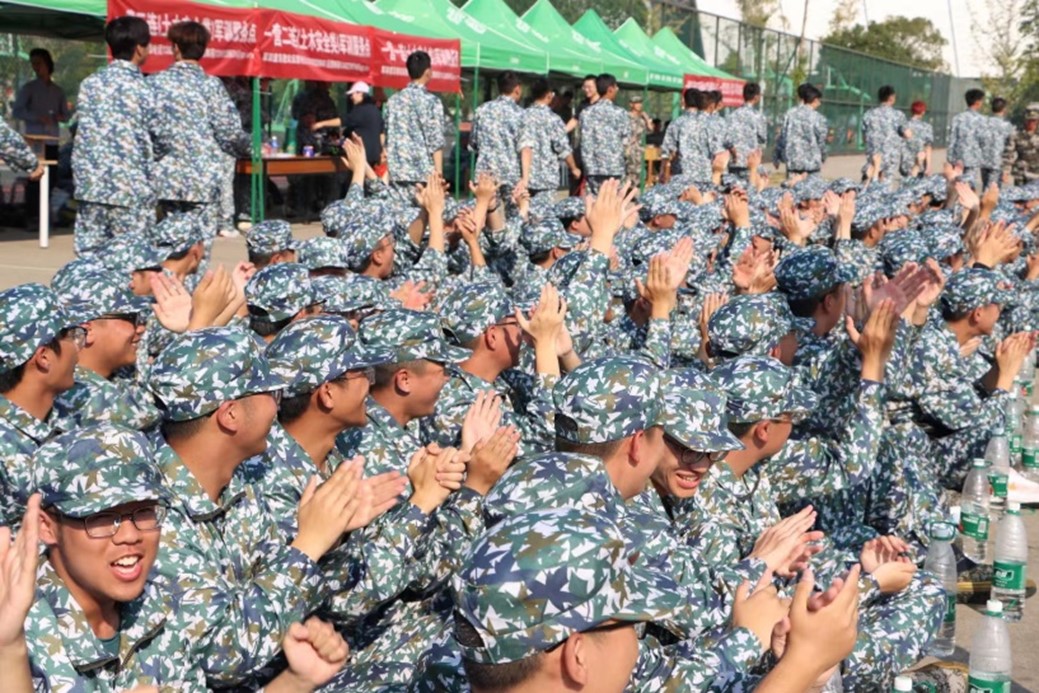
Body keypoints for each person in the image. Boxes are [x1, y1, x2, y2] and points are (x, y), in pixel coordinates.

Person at [150, 21, 251, 243]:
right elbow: (230, 134)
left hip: (166, 180)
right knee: (198, 250)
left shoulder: (154, 84)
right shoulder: (211, 86)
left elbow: (145, 132)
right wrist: (249, 147)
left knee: (169, 248)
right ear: (203, 50)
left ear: (175, 47)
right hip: (203, 181)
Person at [72, 15, 157, 256]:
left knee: (89, 261)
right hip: (130, 190)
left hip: (91, 188)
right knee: (133, 263)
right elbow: (158, 136)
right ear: (139, 48)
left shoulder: (90, 84)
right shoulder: (146, 88)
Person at [0, 283, 81, 528]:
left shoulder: (60, 418)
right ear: (44, 357)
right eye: (72, 337)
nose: (79, 348)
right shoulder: (5, 451)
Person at [12, 48, 69, 224]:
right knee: (35, 179)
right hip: (35, 141)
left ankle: (46, 214)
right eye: (33, 64)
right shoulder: (29, 88)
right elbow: (17, 111)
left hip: (52, 140)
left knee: (51, 178)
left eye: (39, 63)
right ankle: (32, 216)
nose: (36, 67)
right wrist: (37, 117)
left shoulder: (58, 91)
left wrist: (59, 117)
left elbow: (66, 115)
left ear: (47, 64)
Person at [384, 51, 445, 192]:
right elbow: (436, 141)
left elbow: (387, 134)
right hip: (423, 174)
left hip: (397, 172)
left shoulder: (393, 101)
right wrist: (439, 172)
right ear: (428, 72)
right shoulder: (432, 102)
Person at [517, 77, 580, 203]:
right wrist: (574, 168)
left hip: (522, 177)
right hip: (546, 179)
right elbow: (563, 148)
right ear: (549, 95)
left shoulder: (521, 116)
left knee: (523, 211)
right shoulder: (553, 119)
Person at [469, 71, 524, 193]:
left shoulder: (481, 110)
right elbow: (525, 147)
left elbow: (473, 144)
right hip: (511, 174)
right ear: (517, 89)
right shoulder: (521, 114)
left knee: (486, 204)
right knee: (514, 205)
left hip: (485, 173)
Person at [578, 74, 630, 195]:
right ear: (610, 89)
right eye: (616, 87)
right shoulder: (620, 113)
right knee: (613, 201)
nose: (617, 90)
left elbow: (583, 140)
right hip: (614, 168)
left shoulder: (586, 113)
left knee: (594, 202)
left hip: (592, 168)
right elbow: (626, 141)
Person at [312, 81, 384, 168]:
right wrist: (381, 151)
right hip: (374, 156)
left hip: (363, 155)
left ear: (360, 93)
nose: (351, 97)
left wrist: (320, 124)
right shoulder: (375, 111)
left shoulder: (360, 110)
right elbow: (381, 134)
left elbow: (343, 121)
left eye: (352, 94)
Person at [775, 82, 828, 178]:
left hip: (793, 162)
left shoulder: (789, 114)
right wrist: (823, 156)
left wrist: (777, 156)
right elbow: (821, 140)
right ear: (814, 100)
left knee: (793, 186)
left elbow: (782, 136)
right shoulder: (818, 118)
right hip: (812, 164)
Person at [860, 85, 908, 182]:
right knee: (886, 182)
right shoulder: (898, 115)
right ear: (891, 98)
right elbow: (906, 134)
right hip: (890, 155)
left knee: (872, 177)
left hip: (873, 154)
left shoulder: (869, 114)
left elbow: (864, 138)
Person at [725, 81, 766, 180]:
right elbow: (762, 139)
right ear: (756, 97)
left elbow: (726, 138)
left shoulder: (732, 115)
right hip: (751, 162)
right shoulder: (758, 116)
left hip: (734, 161)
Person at [947, 88, 987, 183]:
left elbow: (952, 139)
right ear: (977, 102)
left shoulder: (957, 118)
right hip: (974, 159)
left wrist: (950, 158)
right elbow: (984, 141)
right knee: (969, 186)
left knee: (957, 185)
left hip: (958, 158)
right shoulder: (982, 120)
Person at [980, 96, 1015, 190]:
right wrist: (1007, 169)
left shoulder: (983, 123)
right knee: (993, 190)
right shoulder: (1007, 126)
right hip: (997, 163)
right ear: (1004, 109)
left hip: (984, 162)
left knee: (986, 186)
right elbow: (1010, 148)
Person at [899, 100, 933, 178]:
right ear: (923, 112)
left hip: (906, 163)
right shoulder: (927, 127)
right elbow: (928, 147)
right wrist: (928, 166)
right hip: (920, 162)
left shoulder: (904, 125)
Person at [624, 94, 652, 187]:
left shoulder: (641, 119)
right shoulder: (626, 117)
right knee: (628, 171)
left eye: (640, 103)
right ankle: (626, 190)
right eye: (637, 103)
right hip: (628, 148)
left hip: (638, 149)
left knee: (638, 172)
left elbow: (650, 129)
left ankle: (634, 190)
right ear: (631, 104)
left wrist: (647, 119)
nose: (639, 105)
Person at [1009, 102, 1039, 185]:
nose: (1031, 123)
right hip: (1021, 174)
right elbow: (1008, 154)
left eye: (1034, 121)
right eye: (1029, 121)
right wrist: (1006, 171)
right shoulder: (1016, 134)